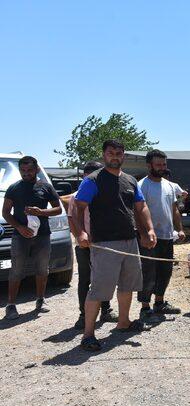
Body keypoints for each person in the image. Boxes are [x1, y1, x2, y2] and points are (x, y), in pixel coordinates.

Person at [73, 139, 157, 351]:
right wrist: (80, 232)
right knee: (99, 289)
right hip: (105, 243)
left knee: (128, 284)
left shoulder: (130, 180)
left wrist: (149, 230)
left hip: (130, 240)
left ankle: (123, 322)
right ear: (104, 155)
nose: (115, 156)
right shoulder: (93, 180)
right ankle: (88, 334)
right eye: (111, 152)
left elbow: (141, 206)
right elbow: (78, 208)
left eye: (119, 153)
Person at [2, 156, 62, 320]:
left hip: (42, 235)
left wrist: (41, 212)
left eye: (29, 170)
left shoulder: (46, 187)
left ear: (36, 170)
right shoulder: (13, 188)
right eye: (23, 170)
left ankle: (40, 300)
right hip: (20, 236)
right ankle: (11, 305)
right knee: (16, 270)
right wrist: (20, 227)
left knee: (42, 269)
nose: (26, 173)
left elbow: (58, 209)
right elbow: (5, 212)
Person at [67, 161, 118, 329]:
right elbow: (72, 219)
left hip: (104, 244)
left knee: (105, 277)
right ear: (84, 176)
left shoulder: (105, 194)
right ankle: (84, 314)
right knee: (85, 280)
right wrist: (80, 237)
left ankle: (106, 310)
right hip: (85, 246)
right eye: (89, 175)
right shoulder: (76, 197)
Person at [137, 150, 185, 323]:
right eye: (158, 165)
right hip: (149, 238)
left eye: (164, 164)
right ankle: (145, 307)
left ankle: (159, 303)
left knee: (165, 271)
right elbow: (137, 211)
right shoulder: (142, 185)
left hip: (166, 236)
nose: (162, 168)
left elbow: (174, 209)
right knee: (148, 272)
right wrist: (143, 234)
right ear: (149, 165)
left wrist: (179, 229)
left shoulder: (170, 185)